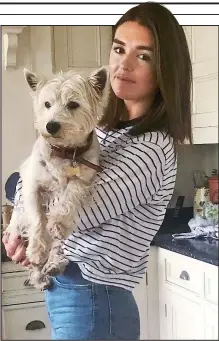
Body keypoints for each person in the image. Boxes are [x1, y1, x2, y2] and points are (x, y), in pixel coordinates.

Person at [2, 2, 192, 340]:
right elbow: (29, 176)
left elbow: (74, 214)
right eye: (119, 48)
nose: (123, 63)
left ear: (166, 70)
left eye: (143, 56)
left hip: (94, 295)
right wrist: (24, 209)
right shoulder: (102, 131)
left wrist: (27, 207)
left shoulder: (151, 148)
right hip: (69, 286)